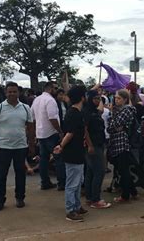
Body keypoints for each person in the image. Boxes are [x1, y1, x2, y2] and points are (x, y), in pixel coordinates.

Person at [0, 82, 36, 211]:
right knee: (1, 175)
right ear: (6, 93)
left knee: (20, 175)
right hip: (3, 147)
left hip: (20, 147)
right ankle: (0, 201)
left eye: (14, 91)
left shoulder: (25, 108)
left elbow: (30, 127)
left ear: (18, 93)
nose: (12, 94)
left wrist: (31, 145)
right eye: (9, 92)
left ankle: (20, 198)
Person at [53, 86, 92, 222]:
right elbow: (70, 133)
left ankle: (76, 205)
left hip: (77, 151)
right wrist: (61, 146)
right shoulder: (74, 114)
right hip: (72, 152)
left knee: (78, 180)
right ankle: (70, 210)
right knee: (72, 183)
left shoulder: (76, 112)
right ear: (82, 97)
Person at [31, 81, 65, 190]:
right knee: (59, 158)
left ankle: (45, 182)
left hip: (41, 134)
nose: (57, 90)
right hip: (51, 133)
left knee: (44, 159)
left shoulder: (37, 99)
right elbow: (53, 118)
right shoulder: (50, 100)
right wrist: (60, 131)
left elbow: (33, 118)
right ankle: (61, 183)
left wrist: (36, 133)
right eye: (56, 88)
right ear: (51, 89)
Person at [106, 89, 138, 202]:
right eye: (115, 98)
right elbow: (112, 128)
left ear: (125, 99)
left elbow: (111, 126)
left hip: (122, 143)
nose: (116, 100)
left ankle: (125, 195)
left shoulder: (126, 110)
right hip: (118, 143)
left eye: (119, 98)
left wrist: (111, 117)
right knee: (123, 169)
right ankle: (133, 191)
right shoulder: (120, 110)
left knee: (123, 170)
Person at [83, 90, 111, 209]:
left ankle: (90, 197)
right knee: (99, 171)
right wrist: (90, 145)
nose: (97, 101)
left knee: (91, 172)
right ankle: (96, 199)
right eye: (95, 98)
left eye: (99, 99)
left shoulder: (93, 111)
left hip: (97, 143)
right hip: (93, 145)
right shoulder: (87, 112)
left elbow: (100, 110)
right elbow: (85, 130)